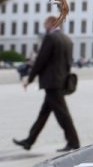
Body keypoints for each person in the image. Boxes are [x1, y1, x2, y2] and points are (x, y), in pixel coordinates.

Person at [13, 16, 80, 152]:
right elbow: (69, 62)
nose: (44, 26)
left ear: (51, 23)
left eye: (45, 23)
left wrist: (29, 79)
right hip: (60, 81)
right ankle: (29, 141)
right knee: (44, 113)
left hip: (52, 83)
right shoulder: (67, 39)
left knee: (62, 114)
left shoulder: (50, 38)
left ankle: (73, 142)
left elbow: (40, 61)